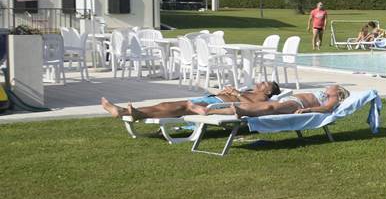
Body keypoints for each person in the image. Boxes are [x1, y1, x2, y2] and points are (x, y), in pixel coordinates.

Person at [101, 81, 281, 120]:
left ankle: (133, 113)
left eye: (265, 83)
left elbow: (252, 106)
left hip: (216, 104)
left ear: (268, 91)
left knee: (182, 107)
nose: (261, 82)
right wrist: (229, 91)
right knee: (166, 105)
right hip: (211, 99)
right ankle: (127, 111)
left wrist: (235, 93)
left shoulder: (262, 96)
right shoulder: (249, 90)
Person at [189, 84, 350, 118]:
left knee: (270, 108)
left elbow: (328, 109)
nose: (329, 87)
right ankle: (210, 110)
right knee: (253, 106)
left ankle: (240, 111)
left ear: (338, 91)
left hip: (298, 105)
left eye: (332, 87)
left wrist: (308, 110)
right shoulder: (329, 92)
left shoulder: (334, 96)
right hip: (291, 100)